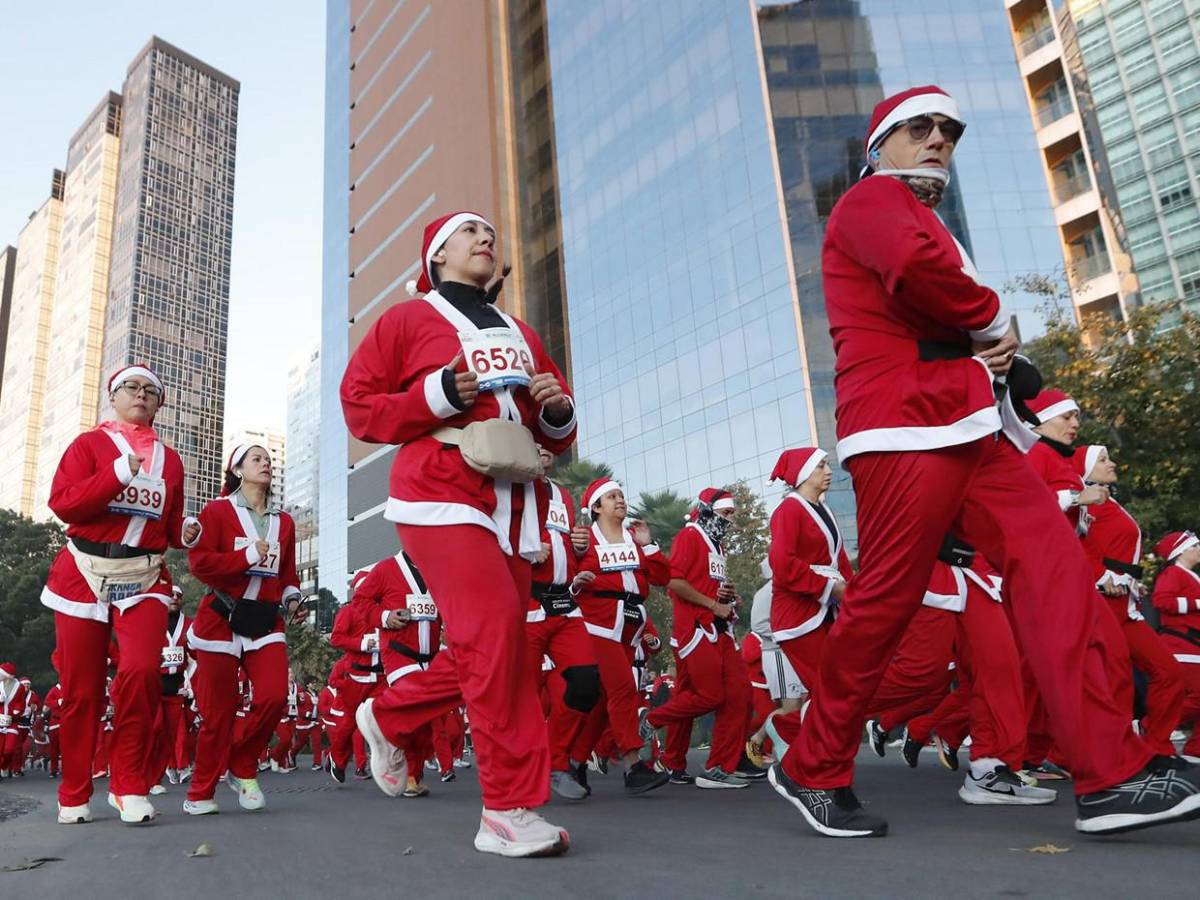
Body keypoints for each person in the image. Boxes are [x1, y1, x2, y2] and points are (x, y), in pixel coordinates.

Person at [768, 84, 1199, 839]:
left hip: (970, 425)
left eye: (950, 129)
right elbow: (915, 271)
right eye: (920, 127)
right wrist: (994, 321)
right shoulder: (872, 200)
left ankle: (1110, 773)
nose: (939, 138)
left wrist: (998, 360)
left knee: (1058, 574)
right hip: (902, 427)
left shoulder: (925, 217)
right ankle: (813, 763)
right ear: (880, 145)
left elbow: (944, 302)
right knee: (884, 606)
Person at [342, 210, 576, 857]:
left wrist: (557, 410)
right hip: (439, 489)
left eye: (489, 233)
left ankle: (389, 713)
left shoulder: (521, 331)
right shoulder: (407, 320)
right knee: (496, 634)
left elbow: (556, 429)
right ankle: (505, 810)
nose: (486, 238)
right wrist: (437, 393)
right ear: (437, 254)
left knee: (501, 647)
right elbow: (359, 408)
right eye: (470, 232)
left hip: (514, 502)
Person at [40, 363, 200, 824]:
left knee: (142, 670)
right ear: (113, 396)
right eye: (131, 387)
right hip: (82, 572)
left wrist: (185, 532)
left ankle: (128, 783)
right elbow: (64, 503)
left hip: (144, 575)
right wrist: (115, 474)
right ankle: (75, 791)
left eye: (151, 390)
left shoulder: (171, 461)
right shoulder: (88, 445)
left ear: (159, 404)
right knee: (81, 690)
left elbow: (170, 525)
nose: (141, 395)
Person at [184, 443, 303, 815]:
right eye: (257, 458)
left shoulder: (285, 522)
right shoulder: (217, 511)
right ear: (237, 469)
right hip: (220, 617)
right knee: (218, 716)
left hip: (266, 619)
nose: (265, 463)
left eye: (268, 459)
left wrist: (293, 600)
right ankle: (200, 792)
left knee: (273, 698)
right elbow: (200, 564)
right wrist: (248, 556)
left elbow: (287, 574)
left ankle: (242, 765)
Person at [1075, 445, 1184, 758]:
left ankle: (1155, 745)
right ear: (1085, 469)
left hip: (1126, 606)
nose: (1112, 464)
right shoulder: (1083, 505)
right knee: (1114, 681)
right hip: (1101, 605)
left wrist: (1131, 582)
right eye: (1103, 460)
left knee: (1168, 673)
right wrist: (1102, 576)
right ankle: (1114, 755)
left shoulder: (1107, 502)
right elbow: (1073, 545)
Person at [645, 488, 754, 788]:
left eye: (732, 514)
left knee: (737, 694)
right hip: (695, 629)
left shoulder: (717, 545)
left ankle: (699, 763)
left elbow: (704, 584)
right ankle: (652, 722)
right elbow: (674, 581)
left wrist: (726, 598)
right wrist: (713, 604)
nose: (730, 520)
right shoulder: (690, 536)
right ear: (707, 510)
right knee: (708, 696)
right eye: (725, 513)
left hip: (718, 628)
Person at [571, 478, 671, 795]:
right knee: (624, 688)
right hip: (598, 624)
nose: (620, 500)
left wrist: (649, 545)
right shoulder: (585, 539)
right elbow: (566, 578)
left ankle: (574, 762)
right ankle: (633, 765)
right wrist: (576, 582)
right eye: (612, 496)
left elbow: (662, 577)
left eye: (621, 495)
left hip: (631, 625)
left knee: (604, 700)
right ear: (596, 507)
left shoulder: (634, 539)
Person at [764, 449, 853, 755]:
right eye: (820, 466)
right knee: (832, 691)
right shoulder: (788, 510)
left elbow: (839, 560)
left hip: (827, 609)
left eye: (827, 465)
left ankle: (794, 735)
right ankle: (796, 738)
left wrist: (853, 592)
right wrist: (830, 588)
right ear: (803, 474)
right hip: (798, 617)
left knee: (838, 690)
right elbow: (782, 564)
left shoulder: (825, 510)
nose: (828, 471)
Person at [524, 446, 600, 800]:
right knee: (520, 696)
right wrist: (525, 548)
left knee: (586, 682)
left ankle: (557, 762)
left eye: (548, 445)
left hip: (564, 603)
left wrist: (579, 548)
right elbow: (488, 537)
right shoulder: (509, 488)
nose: (543, 450)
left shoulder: (563, 495)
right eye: (534, 442)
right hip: (525, 603)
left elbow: (564, 548)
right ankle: (519, 768)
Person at [327, 569, 383, 782]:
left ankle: (390, 763)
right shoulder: (348, 611)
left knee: (386, 716)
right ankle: (337, 759)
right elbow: (336, 639)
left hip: (381, 676)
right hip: (357, 677)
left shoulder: (382, 610)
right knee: (350, 724)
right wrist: (362, 643)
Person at [1151, 531, 1200, 760]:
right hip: (1180, 644)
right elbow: (1161, 601)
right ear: (1180, 552)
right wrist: (1197, 603)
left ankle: (1195, 751)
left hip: (1192, 644)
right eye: (1194, 545)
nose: (1199, 549)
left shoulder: (1190, 575)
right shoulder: (1173, 573)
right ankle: (1150, 726)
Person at [148, 585, 192, 792]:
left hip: (176, 687)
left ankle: (165, 772)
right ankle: (151, 779)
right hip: (156, 686)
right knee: (155, 730)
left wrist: (192, 684)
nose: (174, 598)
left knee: (171, 735)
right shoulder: (153, 620)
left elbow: (196, 656)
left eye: (178, 596)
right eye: (171, 595)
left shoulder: (189, 624)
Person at [0, 663, 28, 778]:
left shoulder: (19, 687)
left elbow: (21, 702)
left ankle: (4, 766)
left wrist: (17, 710)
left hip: (12, 722)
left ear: (7, 676)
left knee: (9, 750)